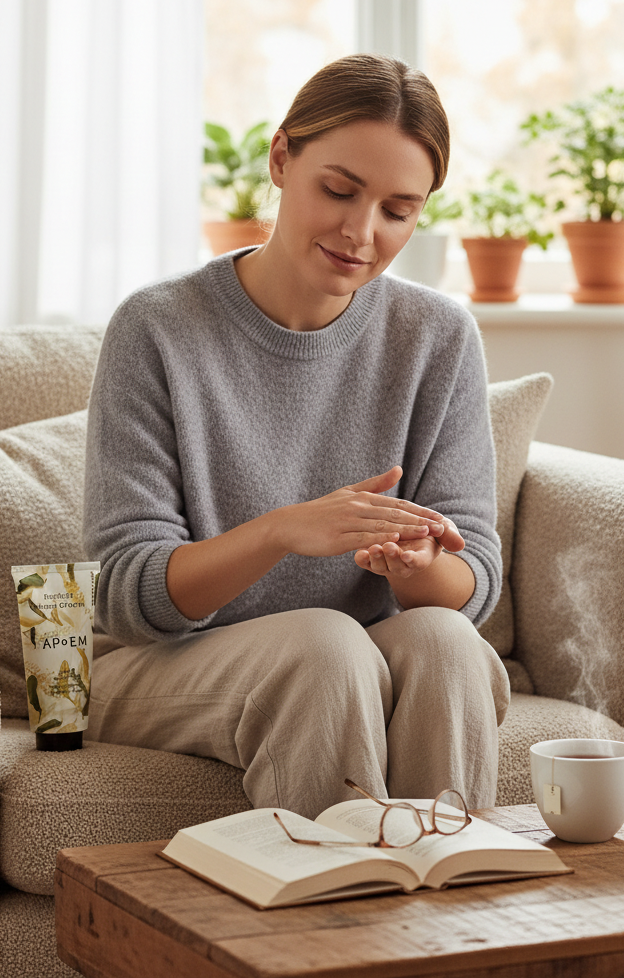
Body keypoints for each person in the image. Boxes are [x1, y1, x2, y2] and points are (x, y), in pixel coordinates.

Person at [83, 53, 509, 818]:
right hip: (166, 661)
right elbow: (125, 592)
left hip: (353, 652)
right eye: (339, 191)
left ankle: (444, 889)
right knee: (324, 645)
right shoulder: (157, 328)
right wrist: (282, 531)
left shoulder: (438, 337)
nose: (361, 232)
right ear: (282, 159)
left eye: (398, 210)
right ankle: (333, 896)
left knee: (446, 644)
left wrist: (421, 567)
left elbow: (471, 580)